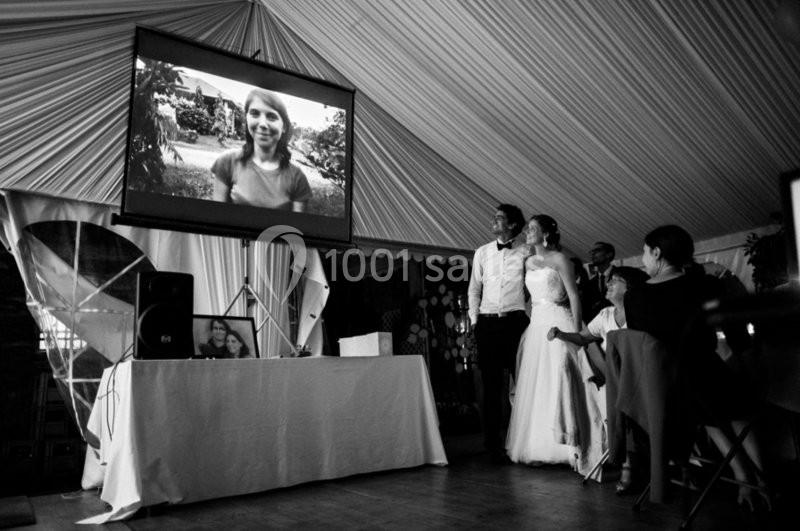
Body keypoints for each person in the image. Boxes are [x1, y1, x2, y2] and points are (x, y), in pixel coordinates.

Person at [625, 225, 769, 510]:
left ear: (656, 252)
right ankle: (763, 480)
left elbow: (644, 346)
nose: (643, 260)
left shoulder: (634, 297)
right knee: (737, 403)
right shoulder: (707, 286)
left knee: (706, 407)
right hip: (702, 376)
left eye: (644, 252)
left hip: (661, 390)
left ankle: (744, 476)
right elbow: (736, 334)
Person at [505, 214, 598, 474]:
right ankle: (538, 445)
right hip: (537, 325)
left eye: (533, 228)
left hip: (560, 320)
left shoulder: (561, 260)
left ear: (546, 233)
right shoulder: (528, 261)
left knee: (562, 380)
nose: (527, 232)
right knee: (538, 383)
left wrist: (578, 332)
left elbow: (574, 296)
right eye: (527, 228)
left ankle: (571, 445)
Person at [547, 265, 649, 487]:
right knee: (591, 350)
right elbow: (583, 337)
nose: (609, 284)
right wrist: (561, 334)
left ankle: (634, 463)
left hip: (642, 378)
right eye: (610, 280)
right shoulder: (605, 314)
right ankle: (627, 465)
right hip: (615, 381)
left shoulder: (643, 315)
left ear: (630, 288)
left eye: (616, 281)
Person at [468, 204, 529, 463]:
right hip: (487, 324)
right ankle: (491, 445)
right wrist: (474, 322)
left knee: (522, 383)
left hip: (516, 323)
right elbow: (474, 289)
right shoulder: (481, 253)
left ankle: (522, 442)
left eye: (500, 218)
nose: (494, 221)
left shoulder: (527, 252)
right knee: (490, 387)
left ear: (513, 225)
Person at [212, 88, 312, 212]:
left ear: (284, 126)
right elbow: (217, 219)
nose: (263, 123)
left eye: (271, 116)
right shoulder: (227, 162)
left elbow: (295, 229)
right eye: (255, 113)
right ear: (247, 118)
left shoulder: (297, 178)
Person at [584, 241, 616, 321]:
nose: (592, 254)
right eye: (592, 252)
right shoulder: (590, 283)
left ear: (609, 254)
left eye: (597, 250)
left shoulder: (621, 275)